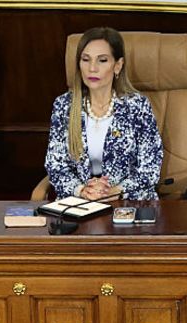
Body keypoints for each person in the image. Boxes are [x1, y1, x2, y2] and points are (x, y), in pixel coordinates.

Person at [44, 27, 163, 201]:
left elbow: (150, 169)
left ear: (118, 66)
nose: (92, 68)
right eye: (86, 60)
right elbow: (55, 166)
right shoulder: (64, 106)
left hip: (128, 202)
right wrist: (82, 190)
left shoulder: (137, 106)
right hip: (80, 203)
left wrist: (116, 191)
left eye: (102, 60)